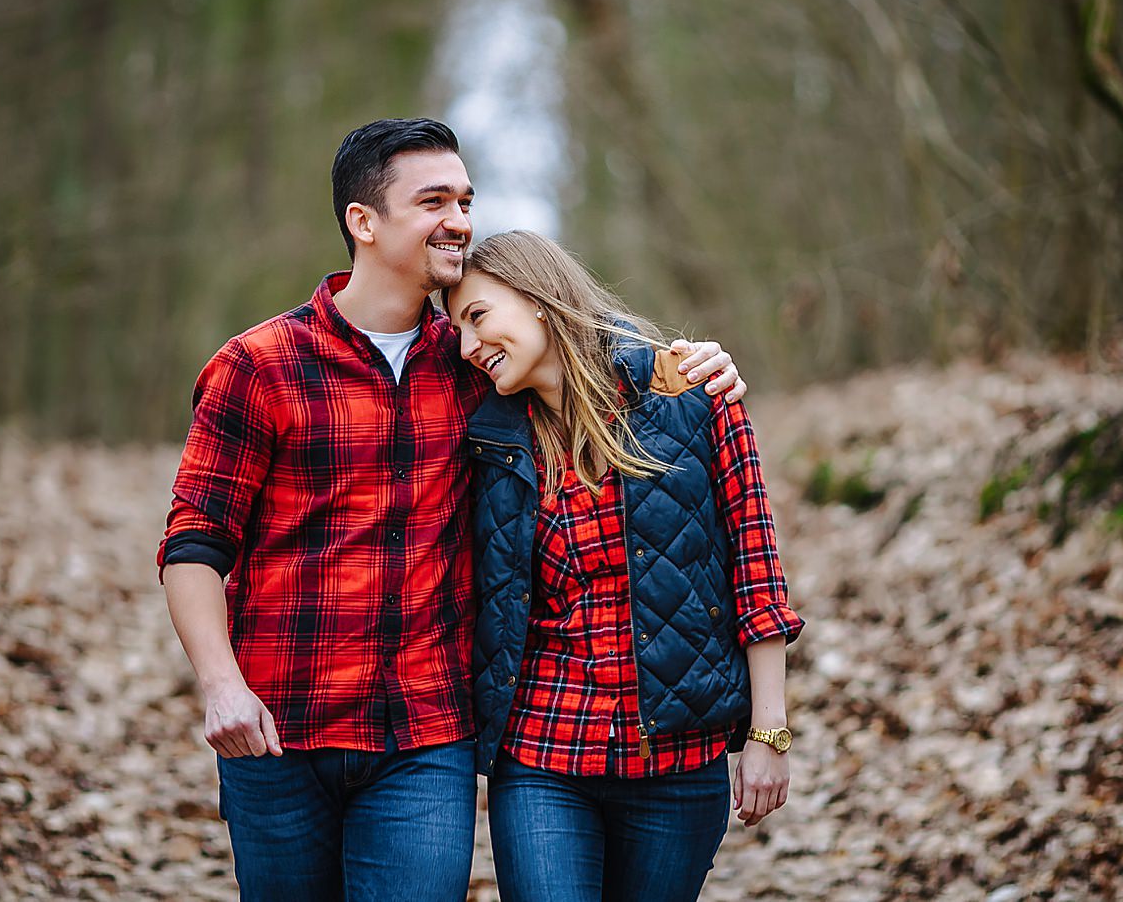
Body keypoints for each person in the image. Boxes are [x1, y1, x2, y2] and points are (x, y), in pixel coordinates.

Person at [156, 118, 746, 902]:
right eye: (434, 200)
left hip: (425, 734)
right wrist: (220, 684)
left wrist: (697, 362)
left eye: (466, 200)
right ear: (363, 222)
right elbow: (195, 539)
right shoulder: (258, 367)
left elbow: (591, 364)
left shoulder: (478, 365)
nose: (460, 221)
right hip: (280, 728)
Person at [445, 230, 804, 902]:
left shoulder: (692, 395)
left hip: (676, 762)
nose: (468, 345)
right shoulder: (489, 440)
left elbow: (757, 575)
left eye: (479, 316)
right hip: (542, 756)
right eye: (457, 329)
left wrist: (769, 731)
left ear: (539, 299)